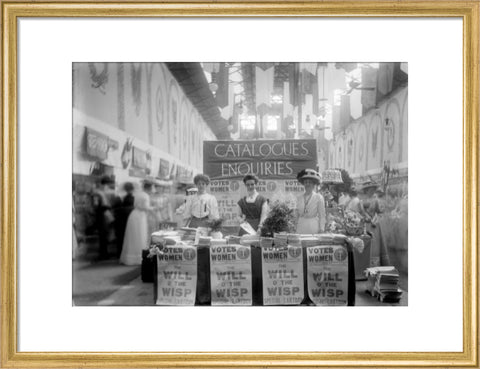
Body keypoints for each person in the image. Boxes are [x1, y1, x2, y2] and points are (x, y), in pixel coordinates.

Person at [120, 180, 155, 265]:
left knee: (133, 236)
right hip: (140, 217)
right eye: (153, 188)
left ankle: (130, 257)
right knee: (140, 235)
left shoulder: (138, 193)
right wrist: (154, 208)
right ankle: (138, 257)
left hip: (134, 215)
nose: (153, 190)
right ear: (149, 188)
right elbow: (145, 207)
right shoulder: (145, 195)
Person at [92, 175, 116, 260]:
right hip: (109, 215)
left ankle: (103, 253)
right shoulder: (112, 192)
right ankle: (105, 253)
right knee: (107, 234)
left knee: (103, 235)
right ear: (108, 183)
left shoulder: (97, 192)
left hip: (102, 215)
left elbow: (95, 205)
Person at [295, 169, 326, 234]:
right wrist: (295, 226)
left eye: (310, 182)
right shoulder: (299, 197)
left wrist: (321, 228)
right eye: (306, 182)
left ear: (314, 184)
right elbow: (297, 214)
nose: (307, 184)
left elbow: (322, 215)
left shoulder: (318, 197)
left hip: (313, 226)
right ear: (303, 184)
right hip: (301, 226)